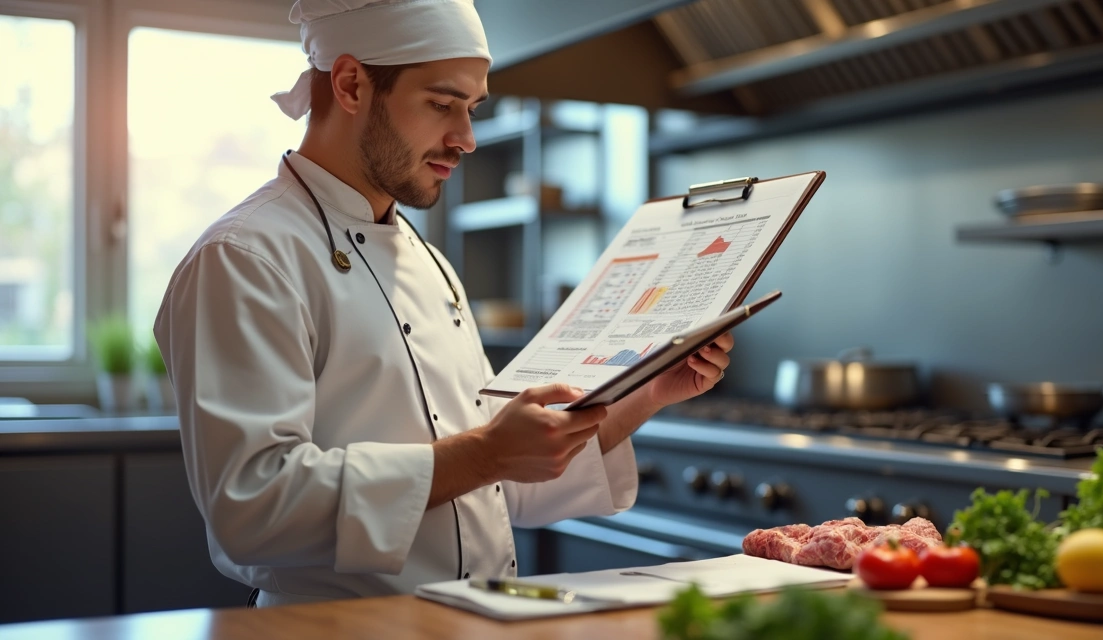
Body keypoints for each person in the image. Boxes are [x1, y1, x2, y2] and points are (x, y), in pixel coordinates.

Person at [154, 0, 733, 608]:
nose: (467, 139)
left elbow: (504, 481)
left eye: (472, 109)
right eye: (441, 104)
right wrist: (484, 453)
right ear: (351, 84)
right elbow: (252, 508)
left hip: (467, 619)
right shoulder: (246, 257)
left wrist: (649, 390)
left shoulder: (428, 260)